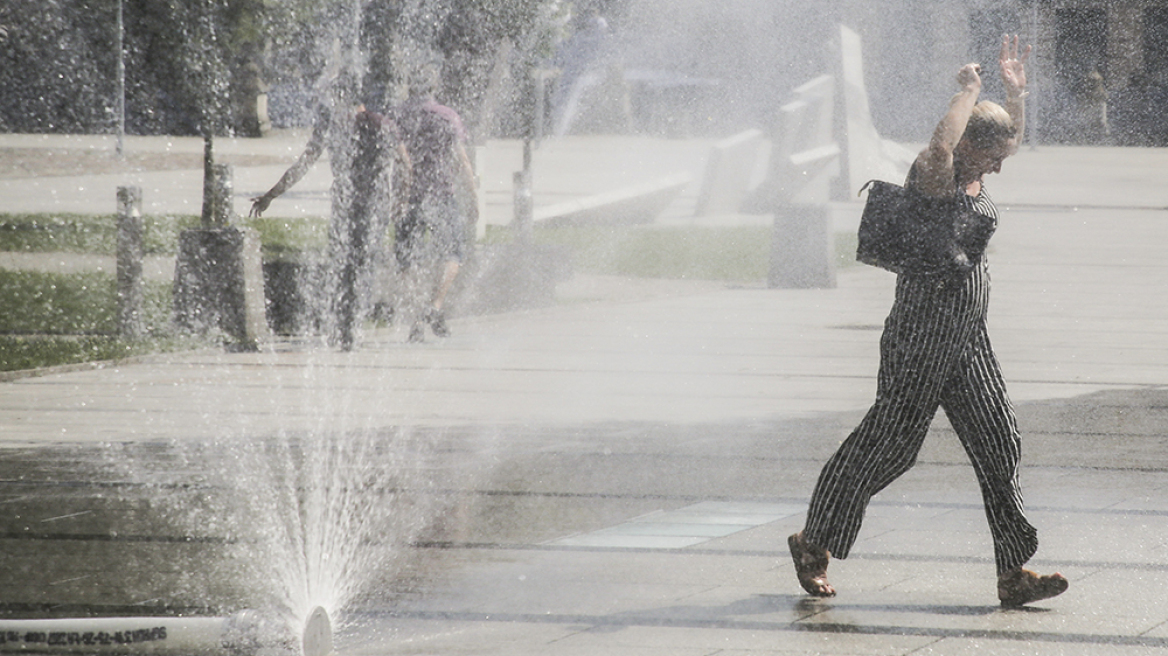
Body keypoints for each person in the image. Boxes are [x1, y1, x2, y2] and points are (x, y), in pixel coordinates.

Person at [788, 35, 1069, 608]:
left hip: (967, 338)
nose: (999, 164)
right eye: (989, 153)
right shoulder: (936, 173)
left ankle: (1012, 571)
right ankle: (813, 540)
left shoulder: (977, 172)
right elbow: (943, 144)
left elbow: (1002, 141)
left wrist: (1015, 96)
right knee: (892, 445)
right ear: (967, 145)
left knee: (1000, 442)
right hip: (920, 335)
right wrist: (967, 91)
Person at [250, 71, 409, 349]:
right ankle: (351, 328)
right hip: (376, 208)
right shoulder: (383, 124)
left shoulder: (332, 124)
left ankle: (341, 326)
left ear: (340, 96)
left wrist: (272, 195)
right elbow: (406, 166)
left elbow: (304, 163)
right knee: (363, 266)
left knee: (343, 265)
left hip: (344, 206)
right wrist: (400, 202)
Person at [391, 67, 479, 343]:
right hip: (442, 195)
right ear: (434, 86)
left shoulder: (396, 115)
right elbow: (462, 161)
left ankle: (417, 317)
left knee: (407, 259)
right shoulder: (447, 116)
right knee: (452, 253)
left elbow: (392, 158)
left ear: (409, 84)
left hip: (408, 198)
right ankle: (435, 305)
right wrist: (474, 196)